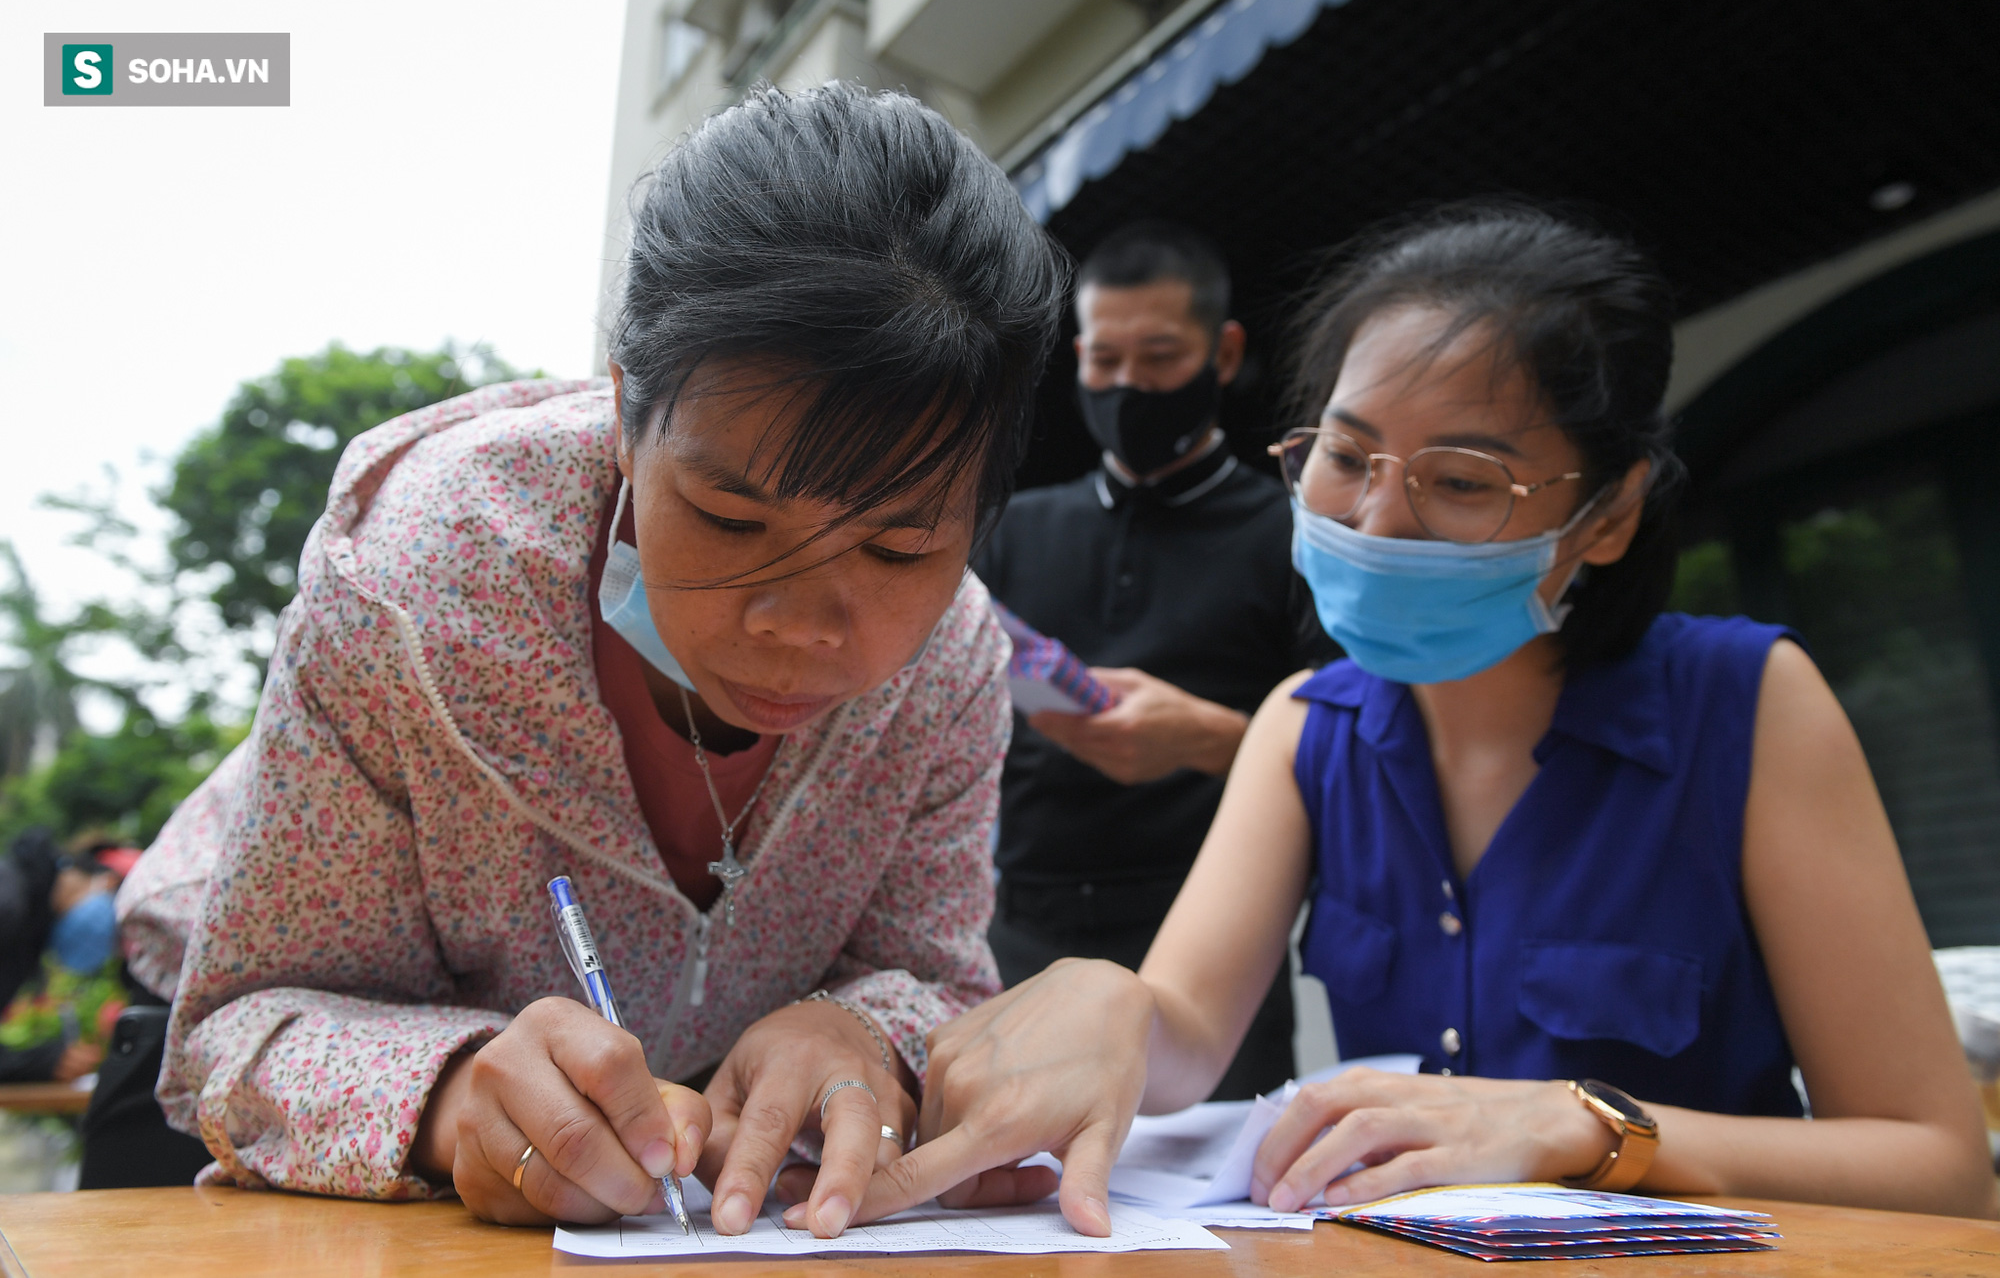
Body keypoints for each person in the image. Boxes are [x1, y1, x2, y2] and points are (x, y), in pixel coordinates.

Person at [852, 202, 2000, 1232]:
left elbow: (1938, 1167)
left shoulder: (1747, 704)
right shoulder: (1306, 725)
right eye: (1343, 456)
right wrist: (1101, 1003)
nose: (1376, 520)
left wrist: (1585, 1127)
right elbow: (1184, 1032)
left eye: (1460, 481)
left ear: (1606, 516)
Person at [115, 82, 1066, 1238]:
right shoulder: (413, 585)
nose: (801, 624)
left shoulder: (954, 657)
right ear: (624, 414)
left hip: (676, 1194)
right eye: (727, 518)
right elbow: (235, 1026)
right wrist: (455, 1096)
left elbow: (934, 976)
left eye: (900, 543)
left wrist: (861, 1030)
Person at [972, 222, 1327, 1100]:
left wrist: (1215, 740)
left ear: (1224, 350)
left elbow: (1362, 753)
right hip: (1016, 931)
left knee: (1224, 1215)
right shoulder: (1011, 530)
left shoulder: (1295, 535)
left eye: (1161, 356)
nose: (1130, 385)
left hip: (1211, 942)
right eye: (1105, 360)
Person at [0, 829, 123, 1084]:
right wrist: (34, 1064)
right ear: (107, 880)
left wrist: (40, 1063)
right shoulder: (9, 901)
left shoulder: (28, 932)